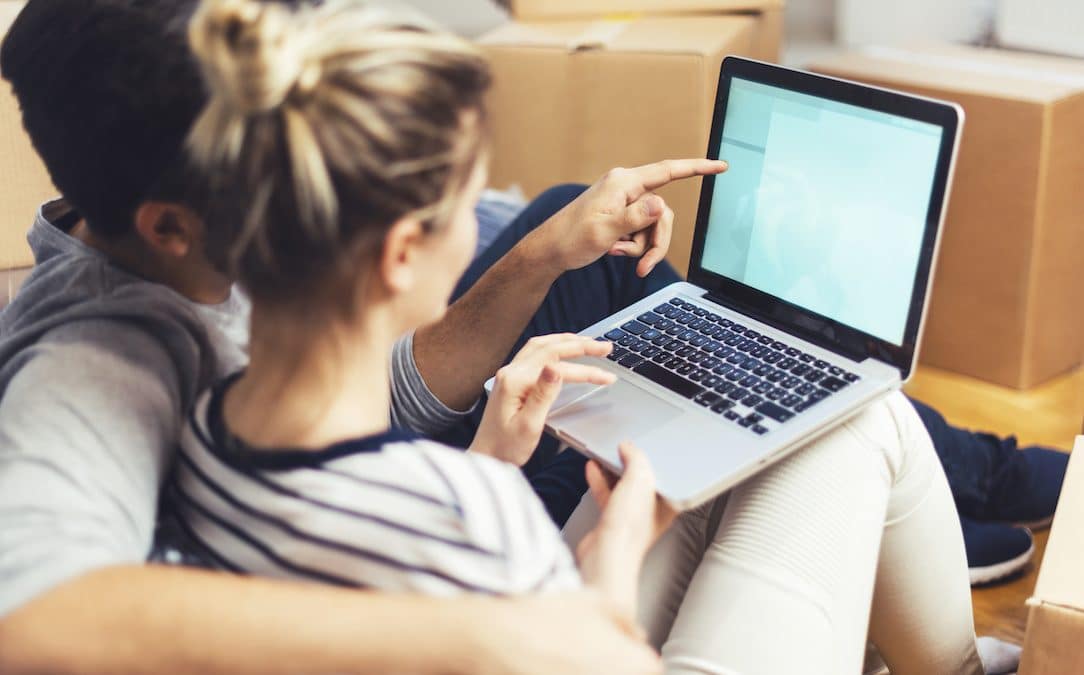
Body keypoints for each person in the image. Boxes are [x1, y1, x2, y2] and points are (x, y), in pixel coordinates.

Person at [0, 0, 1011, 673]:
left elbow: (341, 424)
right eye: (457, 212)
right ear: (177, 221)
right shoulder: (95, 360)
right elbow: (28, 619)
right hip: (471, 570)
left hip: (423, 516)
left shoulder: (229, 378)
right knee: (850, 426)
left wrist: (533, 268)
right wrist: (501, 627)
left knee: (737, 393)